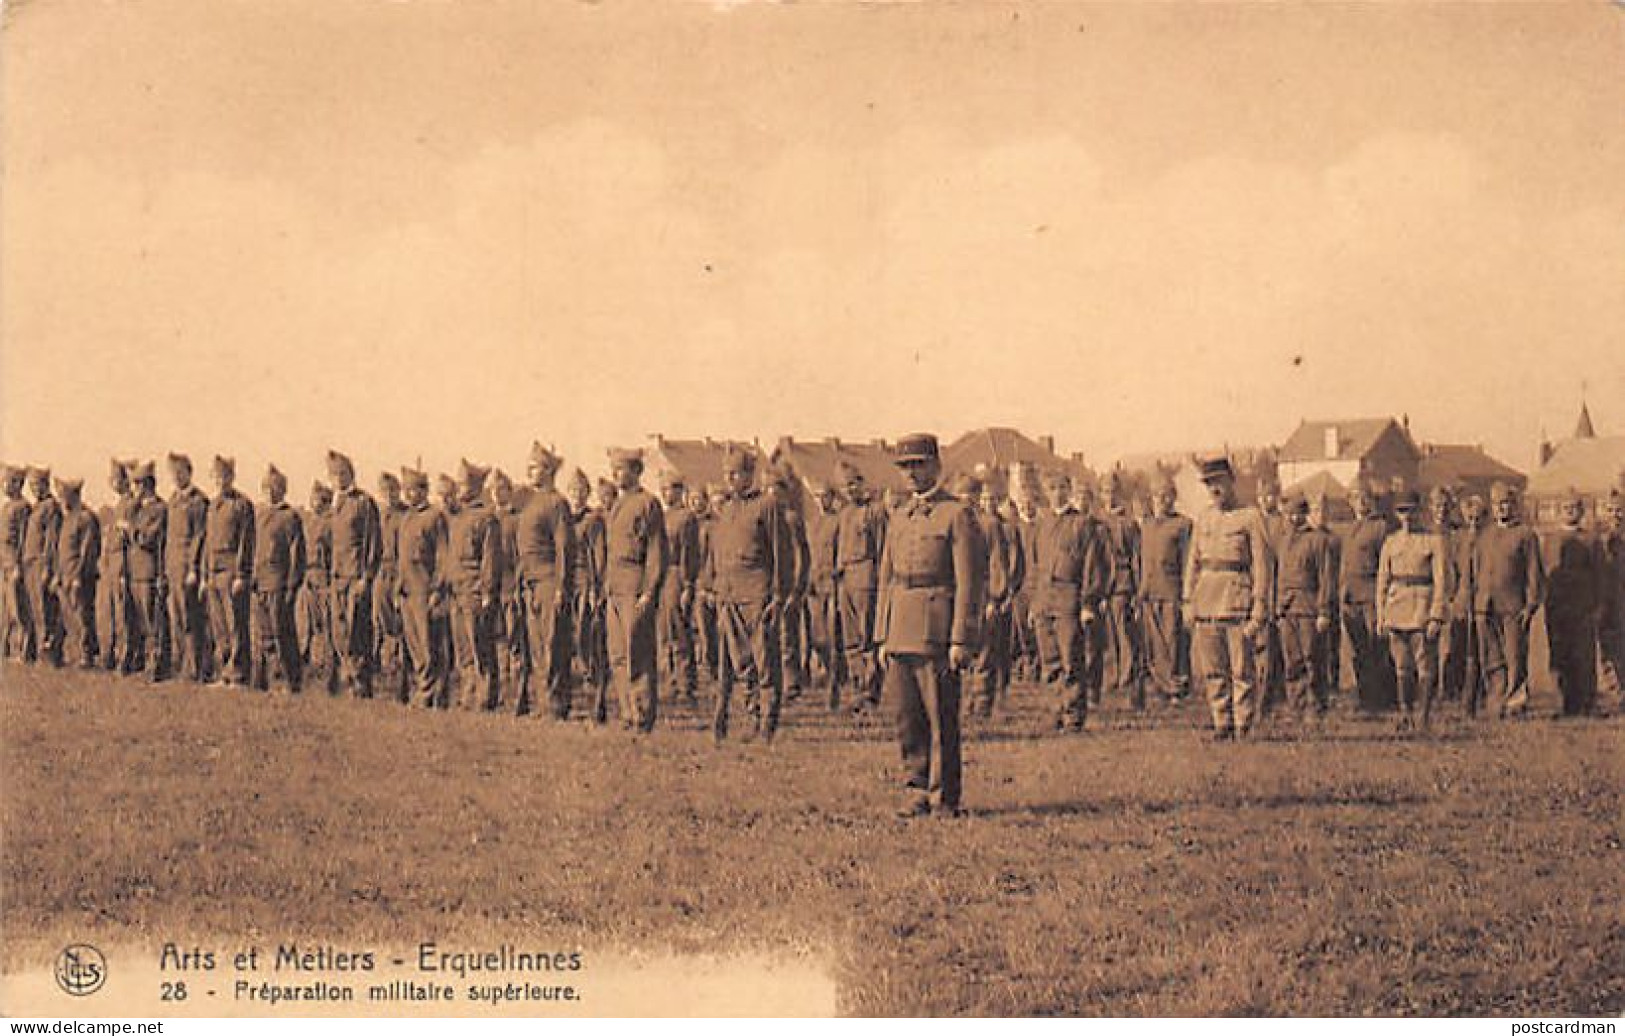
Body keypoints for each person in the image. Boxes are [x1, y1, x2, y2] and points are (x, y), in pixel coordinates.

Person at [875, 433, 984, 818]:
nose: (912, 474)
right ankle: (916, 788)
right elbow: (887, 576)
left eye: (919, 465)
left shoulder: (956, 514)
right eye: (905, 467)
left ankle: (945, 796)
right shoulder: (899, 516)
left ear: (936, 466)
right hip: (901, 626)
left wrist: (961, 637)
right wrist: (881, 634)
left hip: (937, 627)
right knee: (907, 716)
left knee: (941, 716)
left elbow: (970, 581)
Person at [1183, 457, 1272, 740]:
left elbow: (1261, 564)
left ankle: (1244, 723)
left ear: (1231, 481)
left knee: (1241, 667)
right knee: (1213, 668)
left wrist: (1259, 605)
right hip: (1207, 601)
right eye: (1209, 484)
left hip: (1236, 601)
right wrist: (1188, 600)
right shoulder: (1204, 518)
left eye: (1218, 482)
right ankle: (1222, 721)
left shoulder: (1250, 517)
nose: (1214, 489)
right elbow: (1193, 562)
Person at [706, 446, 790, 742]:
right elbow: (717, 554)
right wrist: (715, 589)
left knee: (764, 659)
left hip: (757, 592)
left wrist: (778, 595)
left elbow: (782, 554)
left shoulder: (767, 506)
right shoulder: (725, 510)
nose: (731, 479)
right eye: (727, 474)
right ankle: (753, 715)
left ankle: (768, 722)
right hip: (729, 594)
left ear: (750, 475)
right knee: (740, 660)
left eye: (737, 473)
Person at [1031, 470, 1107, 732]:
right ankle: (1056, 709)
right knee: (1049, 659)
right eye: (1051, 488)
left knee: (1070, 658)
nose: (1056, 493)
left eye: (1061, 488)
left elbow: (1092, 566)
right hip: (1044, 598)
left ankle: (1074, 714)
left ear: (1069, 491)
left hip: (1069, 596)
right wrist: (1034, 604)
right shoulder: (1042, 524)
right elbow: (1036, 566)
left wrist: (1088, 603)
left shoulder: (1082, 524)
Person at [601, 450, 665, 732]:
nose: (616, 474)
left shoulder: (648, 503)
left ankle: (643, 713)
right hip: (614, 585)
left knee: (637, 649)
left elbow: (656, 552)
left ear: (636, 471)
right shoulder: (616, 505)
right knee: (617, 653)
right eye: (613, 469)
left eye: (622, 469)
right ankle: (627, 710)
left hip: (635, 582)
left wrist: (649, 590)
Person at [1376, 489, 1448, 731]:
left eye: (1411, 510)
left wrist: (1436, 614)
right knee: (1401, 664)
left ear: (1420, 511)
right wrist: (1381, 616)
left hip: (1422, 608)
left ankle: (1423, 716)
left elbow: (1441, 580)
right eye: (1401, 511)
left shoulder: (1433, 541)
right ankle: (1404, 713)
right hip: (1396, 608)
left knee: (1424, 664)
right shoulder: (1390, 542)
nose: (1407, 516)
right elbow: (1382, 582)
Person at [1471, 482, 1545, 719]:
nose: (1501, 509)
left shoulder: (1525, 535)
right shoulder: (1485, 535)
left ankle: (1515, 702)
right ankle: (1496, 698)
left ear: (1514, 506)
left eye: (1506, 504)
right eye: (1496, 504)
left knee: (1515, 655)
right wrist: (1476, 600)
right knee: (1491, 655)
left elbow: (1534, 573)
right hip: (1486, 605)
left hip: (1514, 605)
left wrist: (1531, 604)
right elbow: (1476, 569)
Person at [515, 443, 576, 720]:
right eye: (528, 467)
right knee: (537, 645)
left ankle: (556, 705)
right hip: (531, 583)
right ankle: (543, 702)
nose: (529, 472)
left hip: (550, 581)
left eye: (534, 467)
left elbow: (564, 549)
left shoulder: (557, 503)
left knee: (554, 644)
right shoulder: (530, 503)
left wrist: (563, 587)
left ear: (549, 470)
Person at [1274, 491, 1337, 728]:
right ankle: (1296, 706)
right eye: (1289, 514)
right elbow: (1277, 576)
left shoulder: (1317, 540)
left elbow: (1326, 579)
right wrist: (1278, 608)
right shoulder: (1282, 541)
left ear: (1305, 514)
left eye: (1298, 514)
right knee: (1292, 660)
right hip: (1287, 609)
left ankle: (1316, 707)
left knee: (1313, 658)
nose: (1293, 519)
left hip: (1310, 608)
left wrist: (1324, 611)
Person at [1540, 491, 1603, 718]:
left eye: (1574, 507)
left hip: (1583, 607)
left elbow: (1599, 575)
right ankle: (1564, 702)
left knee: (1583, 655)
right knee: (1560, 654)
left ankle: (1586, 703)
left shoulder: (1591, 540)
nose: (1570, 512)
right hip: (1558, 608)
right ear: (1560, 511)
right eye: (1566, 508)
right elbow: (1545, 573)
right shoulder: (1550, 539)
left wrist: (1597, 605)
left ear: (1581, 511)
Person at [446, 459, 501, 711]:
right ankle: (468, 694)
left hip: (475, 590)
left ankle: (485, 697)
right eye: (458, 484)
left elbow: (490, 559)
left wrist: (488, 591)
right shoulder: (459, 516)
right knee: (463, 647)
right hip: (457, 591)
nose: (459, 489)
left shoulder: (486, 518)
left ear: (476, 487)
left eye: (463, 484)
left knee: (480, 645)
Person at [326, 450, 382, 698]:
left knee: (358, 630)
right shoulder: (334, 504)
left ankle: (361, 684)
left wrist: (365, 578)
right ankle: (346, 678)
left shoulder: (363, 503)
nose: (338, 479)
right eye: (334, 475)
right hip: (338, 577)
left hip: (355, 577)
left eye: (342, 474)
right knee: (340, 632)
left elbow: (372, 543)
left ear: (351, 474)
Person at [834, 461, 888, 712]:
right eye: (845, 486)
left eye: (853, 483)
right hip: (846, 578)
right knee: (850, 639)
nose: (849, 489)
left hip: (867, 577)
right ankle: (857, 688)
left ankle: (870, 692)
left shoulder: (875, 512)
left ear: (862, 483)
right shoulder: (844, 514)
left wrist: (880, 581)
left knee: (867, 638)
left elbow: (882, 550)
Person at [397, 467, 451, 708]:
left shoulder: (434, 516)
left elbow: (442, 557)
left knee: (429, 642)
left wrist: (437, 589)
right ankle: (423, 687)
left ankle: (432, 692)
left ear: (424, 491)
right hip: (407, 588)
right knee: (414, 643)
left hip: (424, 587)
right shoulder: (407, 518)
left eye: (413, 490)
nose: (408, 495)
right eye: (405, 490)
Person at [250, 465, 306, 693]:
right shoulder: (259, 514)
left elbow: (296, 553)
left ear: (283, 490)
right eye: (266, 488)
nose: (270, 492)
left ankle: (290, 680)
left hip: (278, 582)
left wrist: (291, 585)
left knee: (282, 631)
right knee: (262, 634)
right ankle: (262, 680)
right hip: (259, 580)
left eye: (275, 488)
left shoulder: (290, 517)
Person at [969, 471, 1021, 719]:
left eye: (990, 498)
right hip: (966, 595)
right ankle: (973, 699)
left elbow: (998, 565)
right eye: (982, 498)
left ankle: (983, 702)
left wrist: (995, 597)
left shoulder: (993, 526)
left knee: (987, 650)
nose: (985, 503)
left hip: (985, 594)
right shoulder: (966, 522)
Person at [1138, 473, 1192, 704]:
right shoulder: (1146, 525)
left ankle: (1176, 688)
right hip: (1149, 592)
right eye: (1157, 495)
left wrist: (1187, 595)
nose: (1161, 500)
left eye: (1166, 495)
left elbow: (1188, 560)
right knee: (1154, 642)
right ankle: (1161, 686)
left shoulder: (1183, 525)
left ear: (1173, 497)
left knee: (1173, 641)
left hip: (1172, 591)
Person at [1341, 485, 1395, 712]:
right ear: (1350, 502)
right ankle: (1365, 697)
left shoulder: (1380, 527)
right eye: (1356, 498)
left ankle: (1382, 699)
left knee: (1377, 647)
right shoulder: (1350, 528)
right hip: (1351, 596)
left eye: (1365, 498)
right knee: (1358, 649)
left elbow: (1386, 564)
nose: (1361, 502)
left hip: (1371, 594)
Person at [202, 456, 254, 687]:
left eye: (223, 476)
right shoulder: (212, 505)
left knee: (236, 625)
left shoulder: (242, 504)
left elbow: (246, 541)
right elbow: (207, 541)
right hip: (214, 570)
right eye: (215, 476)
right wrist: (205, 574)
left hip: (232, 570)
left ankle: (239, 674)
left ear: (231, 477)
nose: (219, 481)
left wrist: (241, 574)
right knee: (219, 625)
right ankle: (224, 673)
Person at [163, 452, 211, 682]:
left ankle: (198, 668)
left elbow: (199, 537)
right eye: (172, 473)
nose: (175, 477)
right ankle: (183, 664)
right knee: (177, 617)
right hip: (173, 566)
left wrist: (194, 568)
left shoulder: (197, 501)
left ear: (189, 473)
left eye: (179, 472)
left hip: (187, 567)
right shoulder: (173, 500)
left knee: (193, 618)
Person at [1097, 471, 1143, 708]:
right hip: (1101, 584)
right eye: (1105, 492)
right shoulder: (1096, 521)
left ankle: (1127, 680)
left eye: (1113, 492)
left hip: (1122, 584)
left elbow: (1136, 558)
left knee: (1124, 633)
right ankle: (1111, 676)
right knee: (1106, 636)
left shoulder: (1129, 523)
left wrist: (1136, 589)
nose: (1109, 497)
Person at [766, 464, 811, 703]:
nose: (771, 495)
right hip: (769, 588)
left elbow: (801, 557)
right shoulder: (766, 518)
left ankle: (792, 684)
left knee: (788, 637)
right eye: (768, 490)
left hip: (788, 587)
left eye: (775, 489)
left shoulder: (791, 519)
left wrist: (797, 589)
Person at [565, 470, 608, 718]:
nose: (576, 496)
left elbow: (599, 556)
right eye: (572, 491)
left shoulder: (593, 520)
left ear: (587, 493)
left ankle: (596, 695)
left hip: (585, 584)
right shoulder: (564, 519)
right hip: (567, 585)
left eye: (581, 491)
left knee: (588, 641)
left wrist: (595, 587)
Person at [658, 470, 702, 706]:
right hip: (661, 577)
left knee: (680, 631)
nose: (667, 494)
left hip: (677, 574)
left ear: (679, 491)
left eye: (671, 489)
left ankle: (686, 684)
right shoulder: (661, 517)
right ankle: (670, 681)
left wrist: (688, 584)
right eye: (663, 490)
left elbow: (690, 554)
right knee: (664, 631)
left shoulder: (687, 518)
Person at [123, 461, 168, 680]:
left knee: (153, 622)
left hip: (149, 573)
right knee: (140, 620)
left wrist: (129, 528)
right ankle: (144, 661)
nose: (134, 490)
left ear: (147, 485)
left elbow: (147, 539)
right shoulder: (138, 509)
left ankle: (157, 664)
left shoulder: (158, 509)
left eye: (137, 485)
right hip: (136, 572)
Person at [803, 479, 845, 709]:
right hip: (815, 587)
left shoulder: (838, 522)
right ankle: (827, 672)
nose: (820, 501)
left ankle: (834, 686)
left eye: (825, 497)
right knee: (817, 638)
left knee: (832, 638)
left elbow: (842, 552)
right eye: (817, 497)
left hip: (833, 586)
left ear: (832, 498)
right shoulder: (813, 523)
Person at [52, 478, 101, 669]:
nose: (61, 500)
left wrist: (79, 576)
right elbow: (61, 551)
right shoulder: (68, 518)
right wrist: (59, 574)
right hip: (66, 575)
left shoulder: (85, 518)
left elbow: (87, 551)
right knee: (69, 616)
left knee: (83, 616)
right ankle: (73, 652)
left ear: (74, 495)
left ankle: (87, 656)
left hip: (80, 577)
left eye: (64, 495)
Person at [489, 469, 527, 707]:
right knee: (497, 642)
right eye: (493, 490)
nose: (496, 494)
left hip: (511, 588)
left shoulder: (517, 520)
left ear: (509, 492)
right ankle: (499, 694)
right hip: (491, 589)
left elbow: (521, 557)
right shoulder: (488, 518)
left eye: (501, 490)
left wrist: (517, 588)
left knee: (515, 642)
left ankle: (519, 696)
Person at [374, 472, 410, 703]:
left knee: (402, 628)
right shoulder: (378, 516)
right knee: (380, 624)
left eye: (393, 491)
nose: (390, 496)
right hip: (380, 573)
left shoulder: (405, 516)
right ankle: (382, 677)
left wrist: (400, 581)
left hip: (399, 573)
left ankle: (403, 684)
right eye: (385, 492)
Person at [22, 467, 63, 665]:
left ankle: (51, 654)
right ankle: (40, 651)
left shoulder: (51, 507)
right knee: (35, 610)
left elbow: (51, 541)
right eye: (31, 486)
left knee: (46, 610)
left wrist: (48, 567)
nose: (34, 489)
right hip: (30, 564)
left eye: (37, 485)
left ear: (45, 485)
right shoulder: (36, 507)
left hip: (41, 563)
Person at [95, 460, 134, 672]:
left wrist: (121, 570)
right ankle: (108, 654)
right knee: (107, 612)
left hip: (121, 564)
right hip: (109, 564)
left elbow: (126, 541)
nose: (113, 483)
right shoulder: (117, 506)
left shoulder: (130, 504)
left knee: (122, 613)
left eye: (116, 479)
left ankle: (124, 656)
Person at [298, 482, 336, 692]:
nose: (316, 503)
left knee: (326, 626)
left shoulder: (331, 523)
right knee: (307, 626)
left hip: (324, 578)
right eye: (314, 499)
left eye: (320, 500)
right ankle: (310, 672)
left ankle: (328, 675)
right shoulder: (308, 521)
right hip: (309, 577)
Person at [0, 465, 32, 662]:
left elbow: (22, 539)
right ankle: (7, 648)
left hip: (14, 564)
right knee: (6, 610)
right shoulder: (6, 507)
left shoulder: (22, 507)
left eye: (7, 481)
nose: (3, 485)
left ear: (17, 484)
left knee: (19, 610)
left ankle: (24, 651)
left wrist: (18, 566)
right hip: (4, 563)